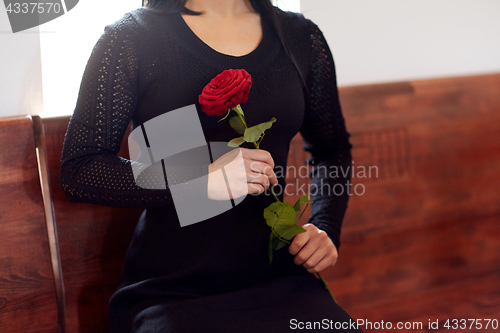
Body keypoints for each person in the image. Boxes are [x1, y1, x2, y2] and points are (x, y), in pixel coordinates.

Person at [60, 0, 362, 332]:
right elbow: (80, 169)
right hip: (172, 292)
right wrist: (200, 179)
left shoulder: (300, 36)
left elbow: (331, 150)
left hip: (280, 278)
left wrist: (326, 229)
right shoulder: (132, 37)